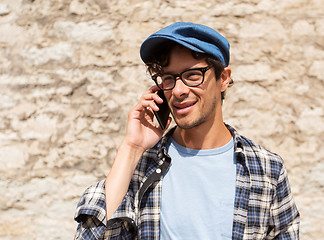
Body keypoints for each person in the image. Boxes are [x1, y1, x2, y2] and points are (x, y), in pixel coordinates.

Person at [74, 22, 300, 240]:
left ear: (223, 79)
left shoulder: (266, 168)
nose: (179, 91)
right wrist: (131, 148)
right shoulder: (142, 164)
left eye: (192, 75)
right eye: (169, 78)